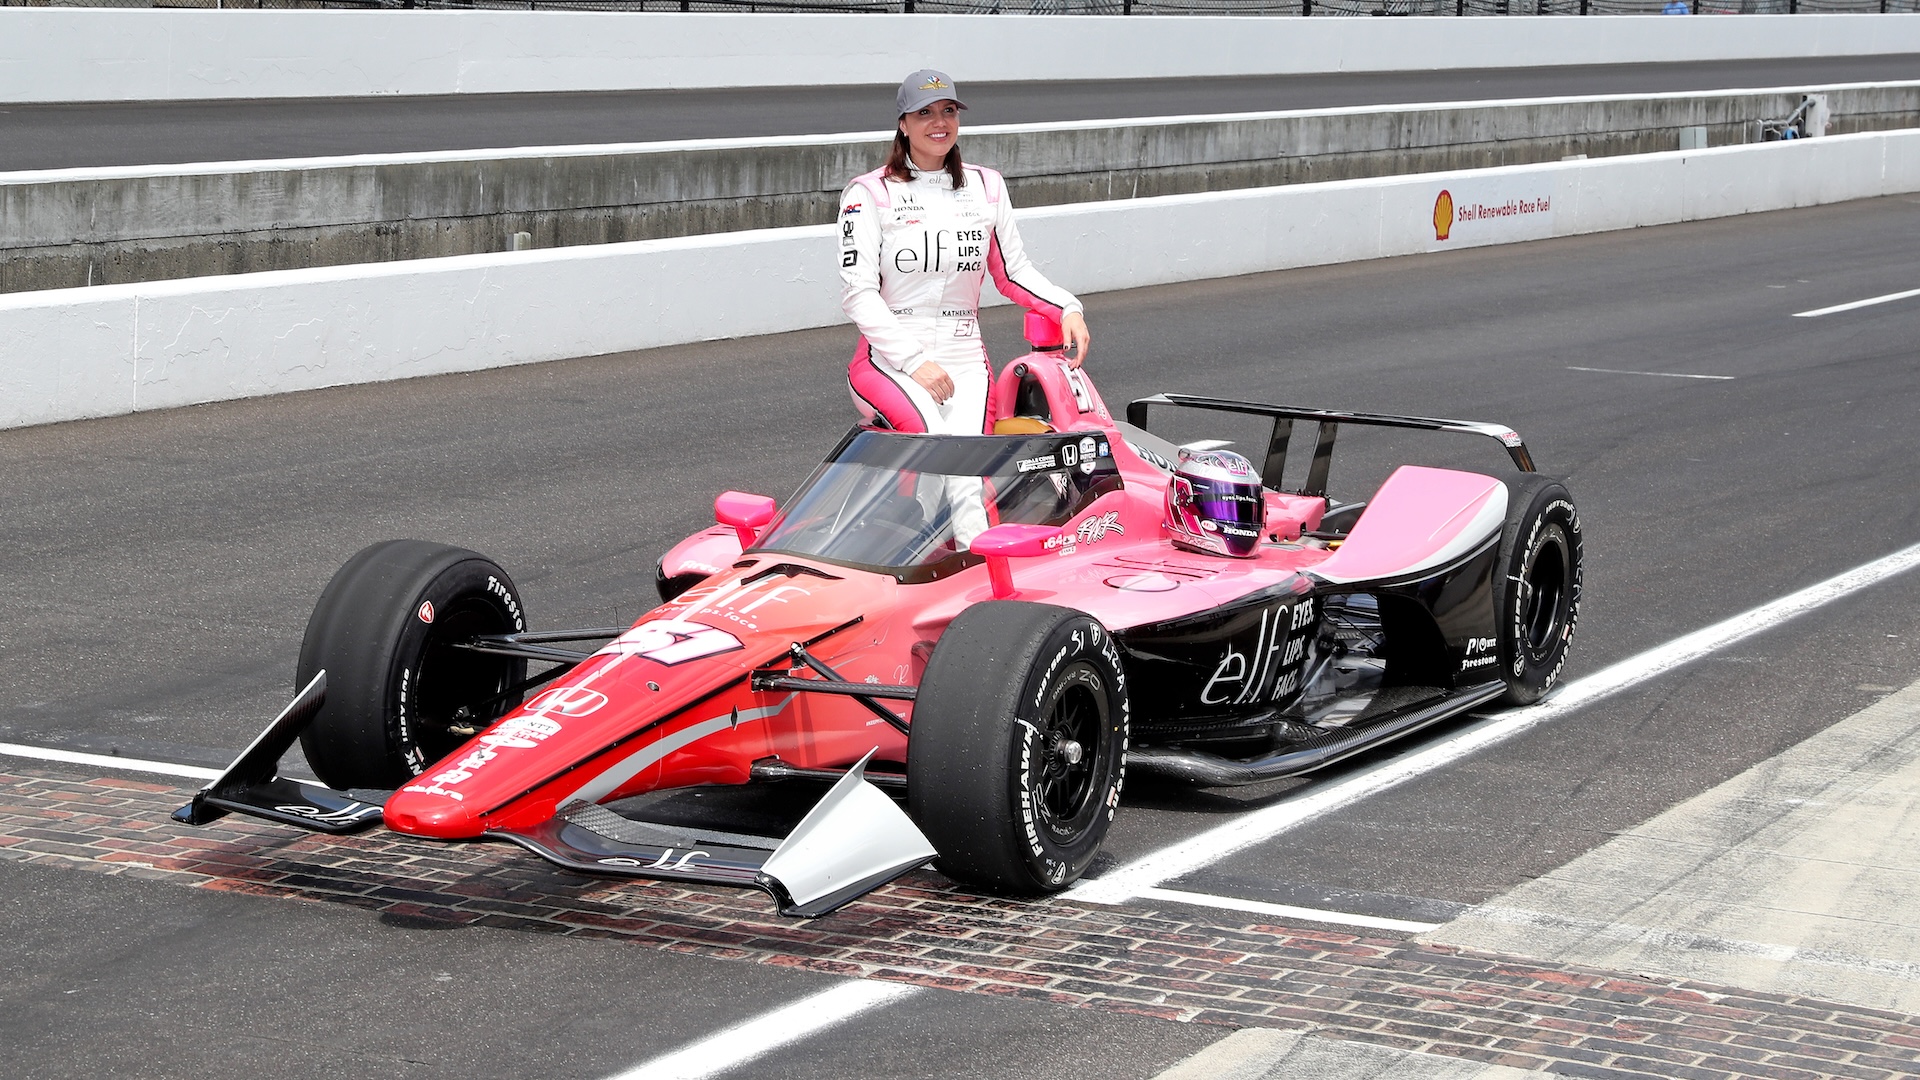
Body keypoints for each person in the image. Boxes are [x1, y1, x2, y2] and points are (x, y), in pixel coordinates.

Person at [838, 69, 1092, 437]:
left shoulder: (987, 186)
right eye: (925, 113)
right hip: (888, 359)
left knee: (968, 476)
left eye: (949, 111)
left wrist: (1067, 307)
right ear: (903, 125)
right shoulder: (868, 193)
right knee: (936, 444)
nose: (939, 122)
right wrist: (913, 361)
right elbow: (858, 294)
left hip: (966, 359)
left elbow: (1012, 271)